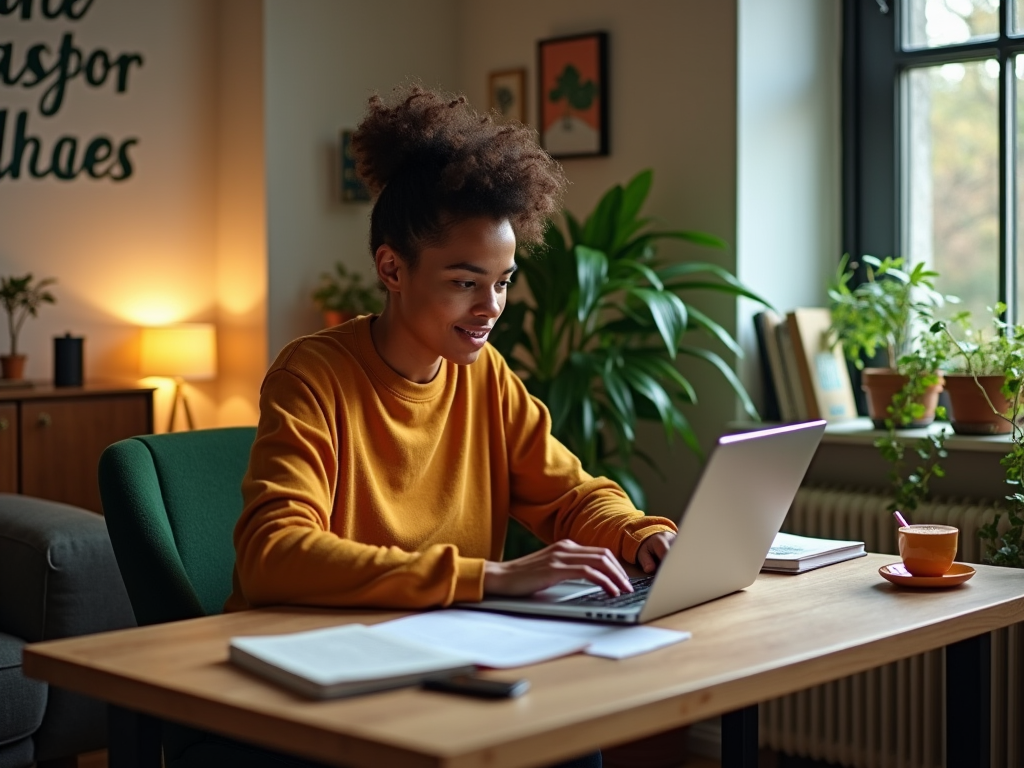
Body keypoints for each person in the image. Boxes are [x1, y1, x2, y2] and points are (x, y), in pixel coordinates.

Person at [226, 87, 680, 768]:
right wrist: (488, 578)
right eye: (467, 282)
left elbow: (569, 494)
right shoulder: (312, 375)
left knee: (572, 744)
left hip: (442, 654)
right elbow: (275, 555)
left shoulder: (483, 374)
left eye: (502, 281)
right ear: (392, 269)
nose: (491, 306)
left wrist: (641, 536)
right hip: (326, 676)